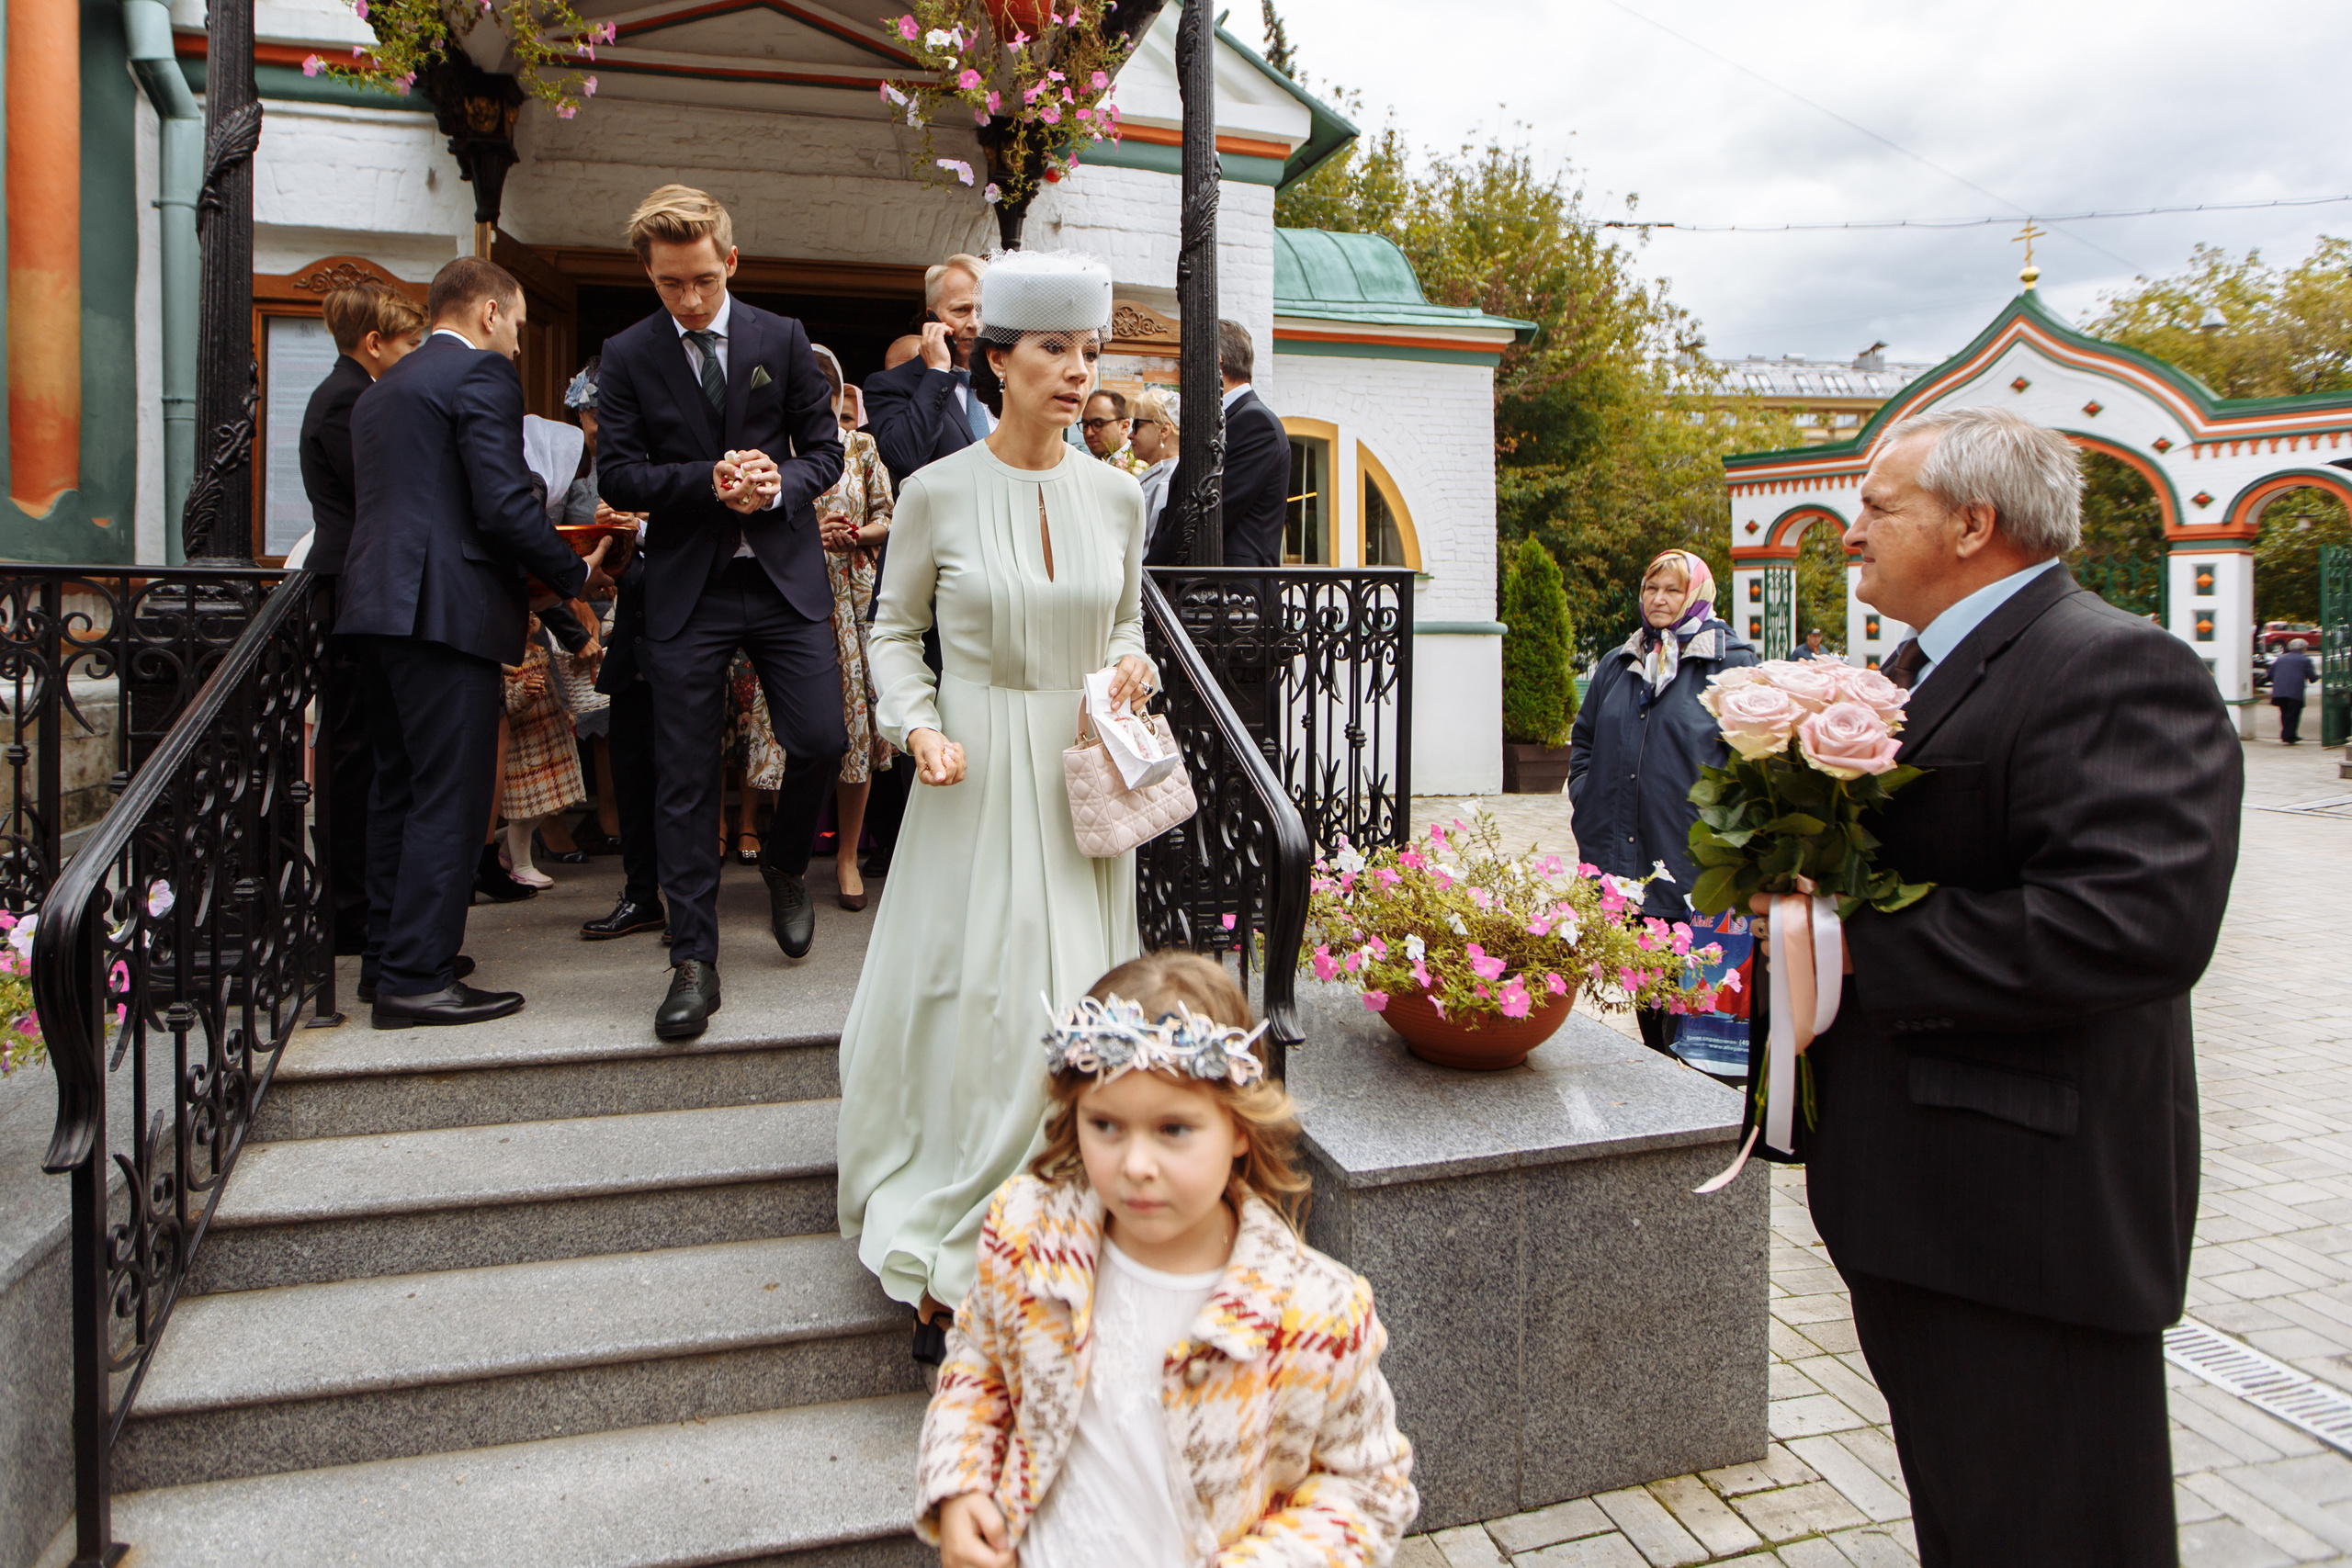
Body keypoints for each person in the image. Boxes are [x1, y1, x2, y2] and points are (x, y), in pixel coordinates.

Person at [1790, 406, 2241, 1565]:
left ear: (1971, 524)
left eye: (1877, 507)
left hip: (2026, 1226)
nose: (1851, 532)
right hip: (1920, 1203)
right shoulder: (1910, 669)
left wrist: (1848, 945)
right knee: (1970, 1522)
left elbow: (2130, 925)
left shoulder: (2113, 663)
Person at [834, 249, 1156, 1362]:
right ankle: (961, 1241)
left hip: (1079, 779)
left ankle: (1062, 1226)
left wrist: (1131, 666)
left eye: (1088, 353)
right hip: (968, 775)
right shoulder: (934, 491)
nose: (1077, 372)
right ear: (997, 360)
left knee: (1074, 1003)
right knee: (985, 1005)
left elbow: (1126, 623)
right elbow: (890, 631)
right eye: (1053, 350)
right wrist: (916, 724)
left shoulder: (1118, 496)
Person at [919, 952, 1419, 1568]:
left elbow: (1369, 1489)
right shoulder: (1025, 1235)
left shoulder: (1313, 1312)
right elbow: (980, 1361)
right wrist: (963, 1482)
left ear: (1239, 1127)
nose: (1135, 1164)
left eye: (1174, 1129)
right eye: (1106, 1125)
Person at [594, 185, 847, 1040]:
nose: (691, 299)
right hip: (686, 589)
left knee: (822, 739)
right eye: (671, 283)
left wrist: (779, 483)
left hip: (782, 579)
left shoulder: (783, 337)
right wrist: (702, 482)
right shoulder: (627, 354)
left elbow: (825, 453)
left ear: (730, 262)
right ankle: (693, 961)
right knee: (685, 776)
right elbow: (618, 474)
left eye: (703, 279)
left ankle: (785, 863)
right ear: (650, 275)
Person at [341, 255, 594, 1027]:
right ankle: (417, 978)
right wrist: (573, 575)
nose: (518, 341)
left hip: (377, 609)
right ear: (488, 312)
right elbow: (503, 505)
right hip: (444, 612)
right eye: (517, 323)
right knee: (450, 796)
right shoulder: (481, 374)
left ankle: (388, 960)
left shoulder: (383, 390)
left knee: (397, 789)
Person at [1568, 547, 1757, 1072]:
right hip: (1626, 861)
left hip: (1692, 864)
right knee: (1648, 994)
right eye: (1651, 588)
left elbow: (1752, 760)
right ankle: (1662, 1087)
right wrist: (1584, 793)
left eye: (1672, 589)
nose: (1658, 598)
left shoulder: (1732, 664)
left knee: (1696, 1004)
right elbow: (1584, 740)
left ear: (1697, 594)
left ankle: (1698, 1100)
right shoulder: (1621, 661)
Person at [298, 280, 425, 956]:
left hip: (352, 580)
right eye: (408, 345)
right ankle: (350, 908)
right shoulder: (350, 399)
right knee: (354, 755)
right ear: (374, 344)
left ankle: (360, 905)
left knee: (364, 751)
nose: (414, 357)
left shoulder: (348, 392)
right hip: (351, 583)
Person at [810, 344, 897, 911]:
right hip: (796, 597)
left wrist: (858, 535)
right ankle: (788, 855)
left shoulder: (861, 447)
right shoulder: (775, 451)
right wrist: (810, 536)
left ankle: (846, 857)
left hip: (853, 595)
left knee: (857, 731)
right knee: (798, 731)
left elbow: (890, 514)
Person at [864, 254, 991, 492]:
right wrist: (937, 371)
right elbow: (905, 459)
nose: (974, 323)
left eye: (982, 311)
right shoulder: (890, 385)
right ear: (932, 317)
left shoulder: (1011, 382)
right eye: (961, 310)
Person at [1210, 320, 1287, 569]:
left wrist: (1150, 568)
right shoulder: (1232, 418)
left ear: (1217, 363)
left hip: (1237, 587)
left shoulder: (1255, 423)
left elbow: (1213, 512)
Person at [1129, 387, 1180, 558]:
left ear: (1164, 430)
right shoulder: (1164, 474)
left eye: (1136, 426)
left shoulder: (1167, 479)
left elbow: (1153, 545)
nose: (1130, 435)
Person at [1080, 389, 1145, 476]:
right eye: (1085, 425)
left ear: (1124, 426)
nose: (1089, 433)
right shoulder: (1084, 468)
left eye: (1098, 424)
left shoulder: (1142, 464)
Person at [2271, 636, 2315, 743]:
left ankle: (2288, 734)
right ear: (2303, 648)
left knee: (2285, 712)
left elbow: (2270, 674)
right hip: (2295, 691)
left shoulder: (2280, 658)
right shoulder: (2305, 660)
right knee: (2293, 714)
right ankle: (2288, 736)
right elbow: (2312, 677)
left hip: (2279, 691)